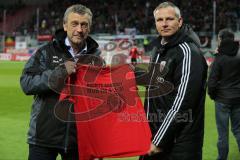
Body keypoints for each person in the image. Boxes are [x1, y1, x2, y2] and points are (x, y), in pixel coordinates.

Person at [20, 4, 102, 160]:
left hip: (79, 141)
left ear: (89, 28)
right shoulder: (45, 51)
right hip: (43, 138)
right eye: (74, 24)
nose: (79, 29)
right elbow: (26, 83)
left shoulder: (96, 58)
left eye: (84, 25)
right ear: (65, 26)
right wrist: (59, 73)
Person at [139, 2, 208, 160]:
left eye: (169, 19)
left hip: (179, 145)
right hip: (154, 137)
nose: (164, 24)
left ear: (180, 21)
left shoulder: (188, 52)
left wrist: (158, 141)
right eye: (159, 20)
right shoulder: (158, 49)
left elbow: (183, 102)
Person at [208, 29, 240, 160]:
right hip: (238, 98)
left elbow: (212, 81)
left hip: (222, 99)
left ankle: (222, 158)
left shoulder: (219, 57)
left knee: (223, 133)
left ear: (221, 39)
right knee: (238, 130)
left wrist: (212, 94)